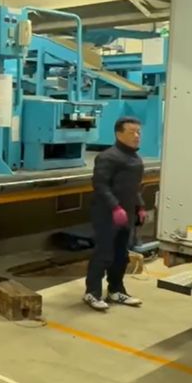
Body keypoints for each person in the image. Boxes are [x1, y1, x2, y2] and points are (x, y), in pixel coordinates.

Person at [83, 116, 146, 311]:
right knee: (104, 254)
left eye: (139, 132)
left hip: (126, 215)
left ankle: (116, 290)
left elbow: (134, 187)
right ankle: (92, 292)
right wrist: (115, 207)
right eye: (132, 132)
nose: (137, 136)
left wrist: (140, 206)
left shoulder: (135, 158)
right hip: (107, 214)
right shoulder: (108, 157)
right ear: (119, 134)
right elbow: (100, 185)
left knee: (121, 255)